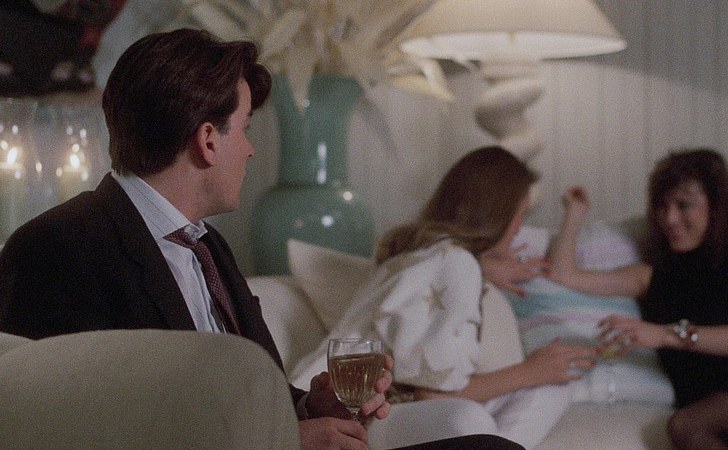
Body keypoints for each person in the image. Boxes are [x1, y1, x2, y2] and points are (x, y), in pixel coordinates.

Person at [0, 29, 522, 450]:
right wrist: (280, 442)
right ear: (208, 140)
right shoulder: (57, 248)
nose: (250, 150)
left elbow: (242, 401)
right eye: (245, 128)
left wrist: (310, 407)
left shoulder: (207, 245)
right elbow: (75, 426)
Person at [292, 146, 598, 449]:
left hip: (355, 406)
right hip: (361, 414)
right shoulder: (457, 263)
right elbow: (433, 394)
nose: (520, 228)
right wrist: (531, 370)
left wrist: (485, 265)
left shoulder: (423, 252)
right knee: (469, 419)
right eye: (520, 215)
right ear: (498, 214)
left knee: (553, 389)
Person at [549, 148, 728, 449]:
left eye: (684, 205)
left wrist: (665, 335)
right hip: (725, 402)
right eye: (663, 206)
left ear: (716, 208)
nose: (670, 218)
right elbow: (564, 275)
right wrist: (574, 215)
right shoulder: (650, 276)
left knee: (686, 426)